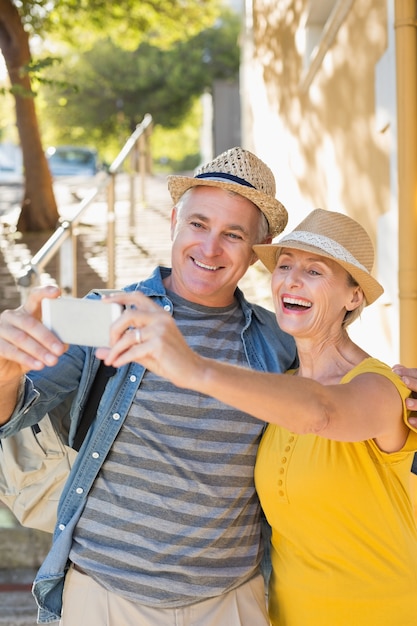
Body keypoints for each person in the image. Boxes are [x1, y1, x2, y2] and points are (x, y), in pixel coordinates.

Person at [0, 147, 297, 625]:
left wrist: (392, 389)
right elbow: (14, 413)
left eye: (234, 234)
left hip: (228, 602)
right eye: (199, 224)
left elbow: (335, 403)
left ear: (258, 249)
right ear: (176, 219)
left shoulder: (280, 343)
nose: (209, 248)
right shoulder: (107, 314)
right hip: (103, 596)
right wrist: (5, 368)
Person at [103, 209, 417, 625]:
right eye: (284, 266)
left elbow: (322, 412)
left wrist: (195, 369)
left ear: (353, 297)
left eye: (315, 271)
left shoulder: (380, 389)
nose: (291, 280)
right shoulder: (278, 384)